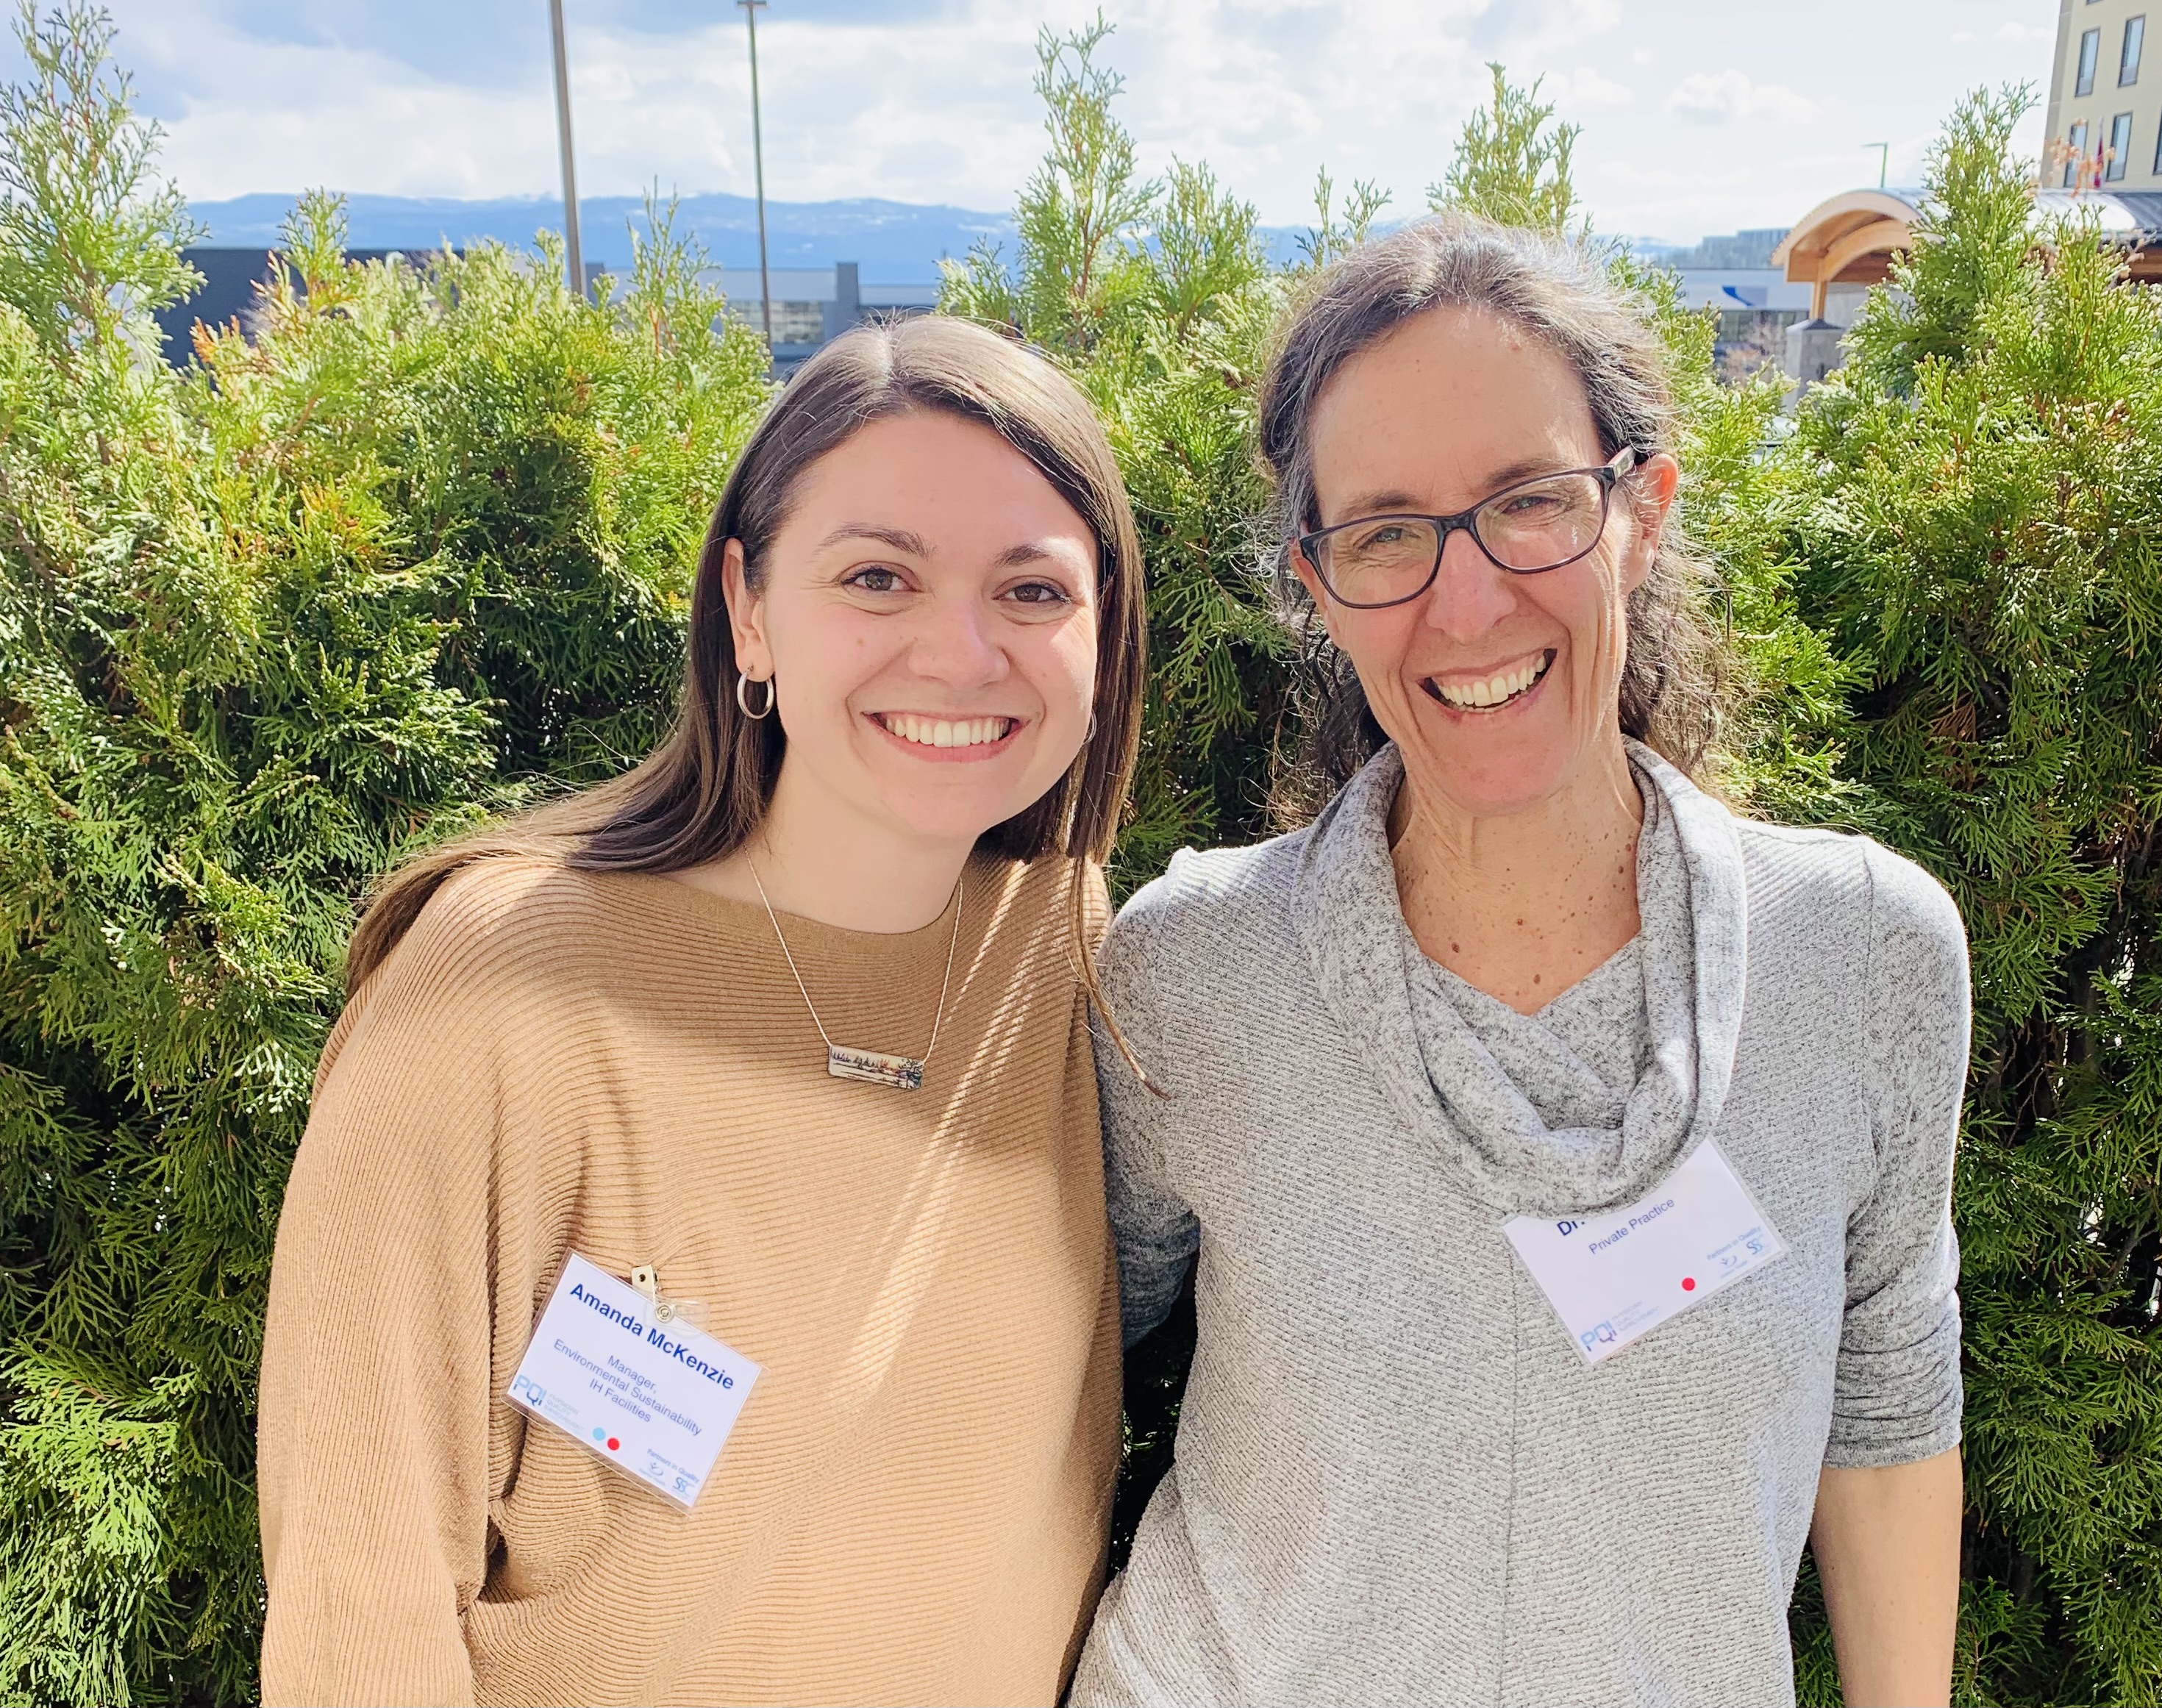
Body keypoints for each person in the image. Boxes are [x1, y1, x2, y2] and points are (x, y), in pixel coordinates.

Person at [1071, 219, 1969, 1708]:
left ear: (1644, 510)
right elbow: (1060, 1363)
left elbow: (1885, 1407)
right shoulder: (1194, 975)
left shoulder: (1863, 958)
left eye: (1529, 503)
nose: (1468, 599)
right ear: (1318, 579)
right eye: (1387, 532)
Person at [258, 315, 1146, 1707]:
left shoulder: (1065, 945)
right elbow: (356, 1594)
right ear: (748, 607)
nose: (963, 654)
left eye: (1033, 594)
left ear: (1105, 635)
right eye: (877, 576)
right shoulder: (500, 986)